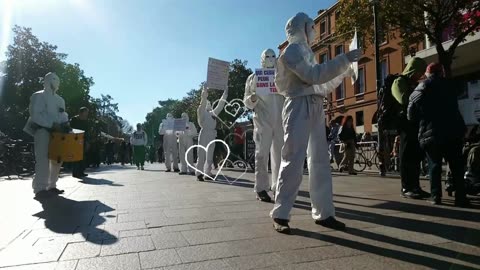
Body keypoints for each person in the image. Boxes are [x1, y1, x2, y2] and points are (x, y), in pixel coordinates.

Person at [270, 12, 361, 234]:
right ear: (302, 27)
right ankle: (281, 214)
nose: (313, 31)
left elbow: (321, 86)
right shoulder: (291, 51)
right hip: (298, 105)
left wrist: (345, 70)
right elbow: (313, 76)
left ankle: (324, 213)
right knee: (293, 159)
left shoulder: (305, 52)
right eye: (311, 27)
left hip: (314, 105)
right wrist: (344, 60)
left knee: (319, 161)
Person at [408, 63, 469, 207]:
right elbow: (457, 106)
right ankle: (461, 197)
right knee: (456, 166)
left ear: (427, 73)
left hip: (431, 133)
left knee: (434, 165)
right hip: (453, 131)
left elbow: (411, 114)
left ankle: (436, 196)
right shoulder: (451, 85)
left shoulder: (421, 87)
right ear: (441, 73)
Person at [243, 49, 285, 202]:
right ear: (262, 59)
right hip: (262, 121)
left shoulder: (281, 76)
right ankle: (261, 188)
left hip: (280, 121)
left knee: (280, 155)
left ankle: (278, 186)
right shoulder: (254, 78)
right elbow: (246, 100)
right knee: (261, 155)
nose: (270, 59)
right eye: (267, 56)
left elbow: (289, 93)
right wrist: (252, 98)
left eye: (273, 56)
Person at [23, 72, 67, 199]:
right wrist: (51, 124)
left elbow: (63, 114)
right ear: (47, 81)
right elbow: (35, 114)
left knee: (57, 160)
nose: (56, 82)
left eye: (57, 79)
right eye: (53, 79)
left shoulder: (60, 99)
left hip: (58, 133)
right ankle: (40, 188)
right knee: (42, 159)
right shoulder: (38, 96)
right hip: (42, 130)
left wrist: (65, 125)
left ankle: (52, 185)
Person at [391, 57, 430, 199]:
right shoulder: (399, 82)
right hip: (405, 126)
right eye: (419, 72)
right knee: (406, 156)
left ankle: (415, 186)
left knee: (415, 157)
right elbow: (403, 100)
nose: (420, 75)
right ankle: (406, 187)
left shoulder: (414, 83)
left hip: (415, 124)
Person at [196, 86, 228, 181]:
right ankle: (199, 173)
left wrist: (225, 93)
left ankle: (208, 172)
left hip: (212, 134)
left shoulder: (213, 113)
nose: (209, 104)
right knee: (201, 153)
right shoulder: (201, 112)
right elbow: (202, 104)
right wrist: (204, 92)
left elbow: (220, 105)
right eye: (207, 103)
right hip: (204, 133)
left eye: (209, 103)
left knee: (210, 154)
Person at [70, 107, 90, 178]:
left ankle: (81, 171)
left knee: (82, 156)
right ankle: (75, 172)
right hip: (75, 139)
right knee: (76, 156)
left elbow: (87, 132)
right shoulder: (74, 119)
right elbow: (70, 129)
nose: (87, 114)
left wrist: (87, 141)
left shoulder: (86, 121)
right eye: (86, 112)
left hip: (83, 140)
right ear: (82, 112)